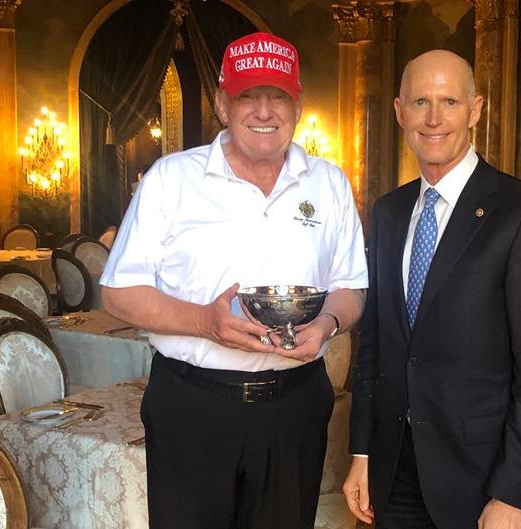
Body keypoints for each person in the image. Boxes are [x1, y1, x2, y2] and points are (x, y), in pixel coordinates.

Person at [100, 32, 367, 529]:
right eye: (248, 95)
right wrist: (204, 321)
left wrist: (329, 322)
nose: (264, 110)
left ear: (298, 105)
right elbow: (118, 292)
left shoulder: (328, 183)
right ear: (224, 104)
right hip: (193, 405)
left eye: (278, 96)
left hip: (295, 404)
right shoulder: (171, 179)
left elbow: (350, 287)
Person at [343, 49, 521, 529]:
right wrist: (362, 451)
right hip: (393, 473)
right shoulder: (387, 213)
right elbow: (375, 346)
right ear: (399, 110)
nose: (433, 118)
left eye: (449, 101)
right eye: (420, 101)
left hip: (484, 482)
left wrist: (511, 493)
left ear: (476, 109)